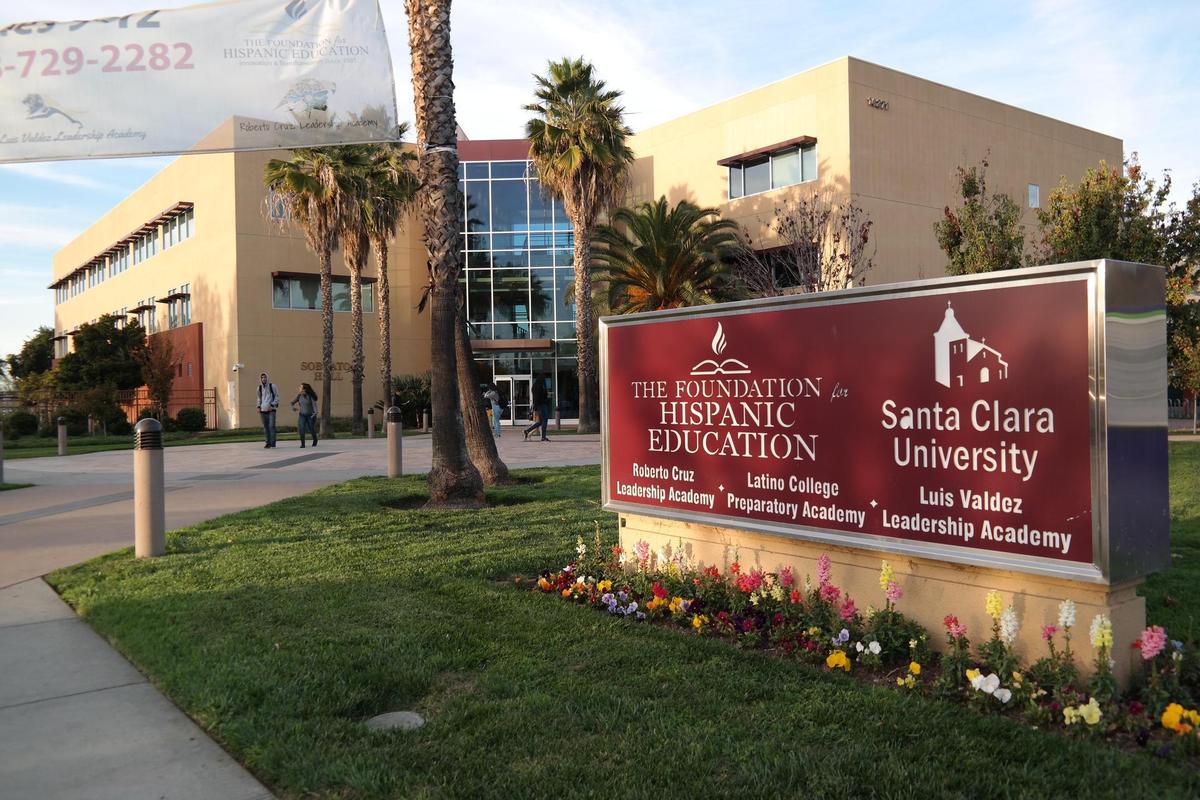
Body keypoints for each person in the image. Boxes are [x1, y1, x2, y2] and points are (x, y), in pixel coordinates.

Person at [290, 382, 319, 448]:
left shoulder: (310, 396)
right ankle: (302, 444)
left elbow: (314, 405)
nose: (299, 388)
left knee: (311, 429)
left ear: (304, 389)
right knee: (302, 428)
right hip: (302, 415)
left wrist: (315, 412)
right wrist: (293, 408)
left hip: (310, 415)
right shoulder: (299, 396)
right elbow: (292, 402)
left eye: (300, 387)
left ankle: (315, 439)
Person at [523, 374, 550, 442]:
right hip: (542, 405)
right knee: (544, 421)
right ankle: (543, 437)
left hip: (539, 405)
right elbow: (539, 397)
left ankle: (527, 431)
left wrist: (535, 407)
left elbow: (535, 398)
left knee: (540, 422)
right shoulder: (540, 386)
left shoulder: (534, 386)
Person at [257, 372, 279, 448]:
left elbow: (277, 397)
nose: (263, 379)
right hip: (263, 410)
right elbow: (259, 398)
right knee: (266, 427)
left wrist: (272, 405)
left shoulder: (272, 386)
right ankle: (268, 442)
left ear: (267, 378)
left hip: (271, 410)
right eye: (262, 377)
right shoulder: (259, 388)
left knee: (271, 426)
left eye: (265, 377)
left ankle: (273, 443)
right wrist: (258, 406)